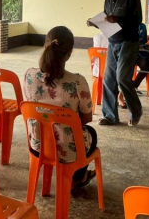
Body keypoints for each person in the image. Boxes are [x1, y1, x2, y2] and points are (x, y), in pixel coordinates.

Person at [23, 26, 97, 190]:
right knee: (91, 133)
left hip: (38, 145)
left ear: (45, 45)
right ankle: (76, 179)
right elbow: (86, 118)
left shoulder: (29, 76)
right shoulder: (77, 81)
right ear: (69, 54)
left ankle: (76, 178)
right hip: (68, 152)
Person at [87, 0, 143, 126]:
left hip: (128, 42)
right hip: (112, 41)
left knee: (122, 78)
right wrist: (94, 22)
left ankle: (135, 111)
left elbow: (138, 19)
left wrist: (118, 18)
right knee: (108, 79)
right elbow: (106, 19)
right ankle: (110, 116)